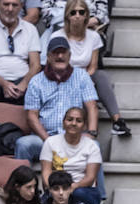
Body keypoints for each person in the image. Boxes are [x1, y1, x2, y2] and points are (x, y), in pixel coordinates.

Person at [46, 0, 129, 137]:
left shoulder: (94, 37)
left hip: (86, 75)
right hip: (63, 77)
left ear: (87, 15)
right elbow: (54, 66)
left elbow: (93, 66)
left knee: (100, 76)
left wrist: (83, 79)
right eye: (73, 12)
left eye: (81, 12)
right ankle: (83, 132)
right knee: (84, 90)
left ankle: (117, 120)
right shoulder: (58, 37)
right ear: (67, 16)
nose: (77, 16)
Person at [17, 38, 98, 172]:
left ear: (69, 56)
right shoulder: (36, 81)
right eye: (55, 53)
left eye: (63, 53)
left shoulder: (82, 76)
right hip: (45, 137)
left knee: (94, 146)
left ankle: (99, 194)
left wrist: (91, 133)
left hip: (74, 137)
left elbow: (92, 106)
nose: (60, 56)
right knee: (23, 144)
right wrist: (49, 141)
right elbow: (31, 116)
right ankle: (22, 189)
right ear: (48, 57)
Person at [36, 102, 109, 204]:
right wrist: (56, 190)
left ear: (85, 125)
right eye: (69, 119)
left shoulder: (92, 146)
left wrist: (68, 189)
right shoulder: (50, 142)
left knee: (78, 193)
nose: (73, 123)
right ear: (63, 122)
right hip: (56, 187)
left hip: (84, 190)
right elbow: (46, 173)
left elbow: (90, 178)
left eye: (78, 120)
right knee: (44, 201)